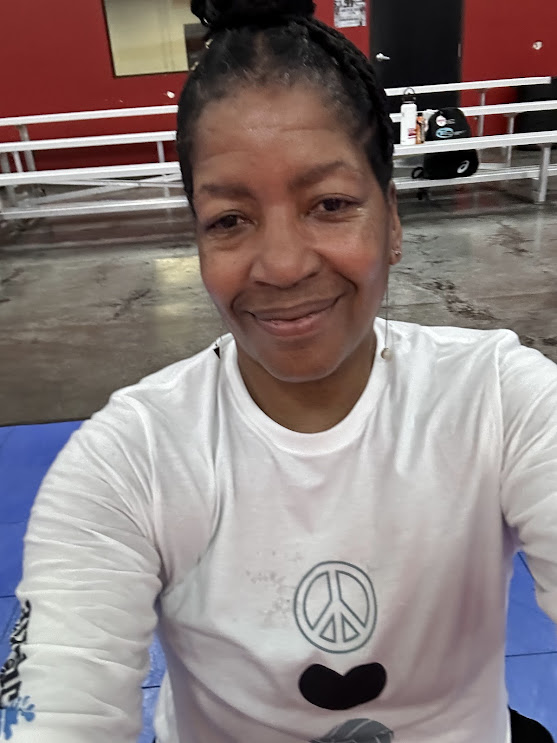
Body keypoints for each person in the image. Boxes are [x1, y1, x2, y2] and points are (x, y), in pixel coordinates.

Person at [1, 1, 556, 741]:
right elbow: (54, 705)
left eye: (329, 204)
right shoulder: (127, 460)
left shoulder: (500, 401)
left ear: (390, 220)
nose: (285, 264)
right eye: (230, 219)